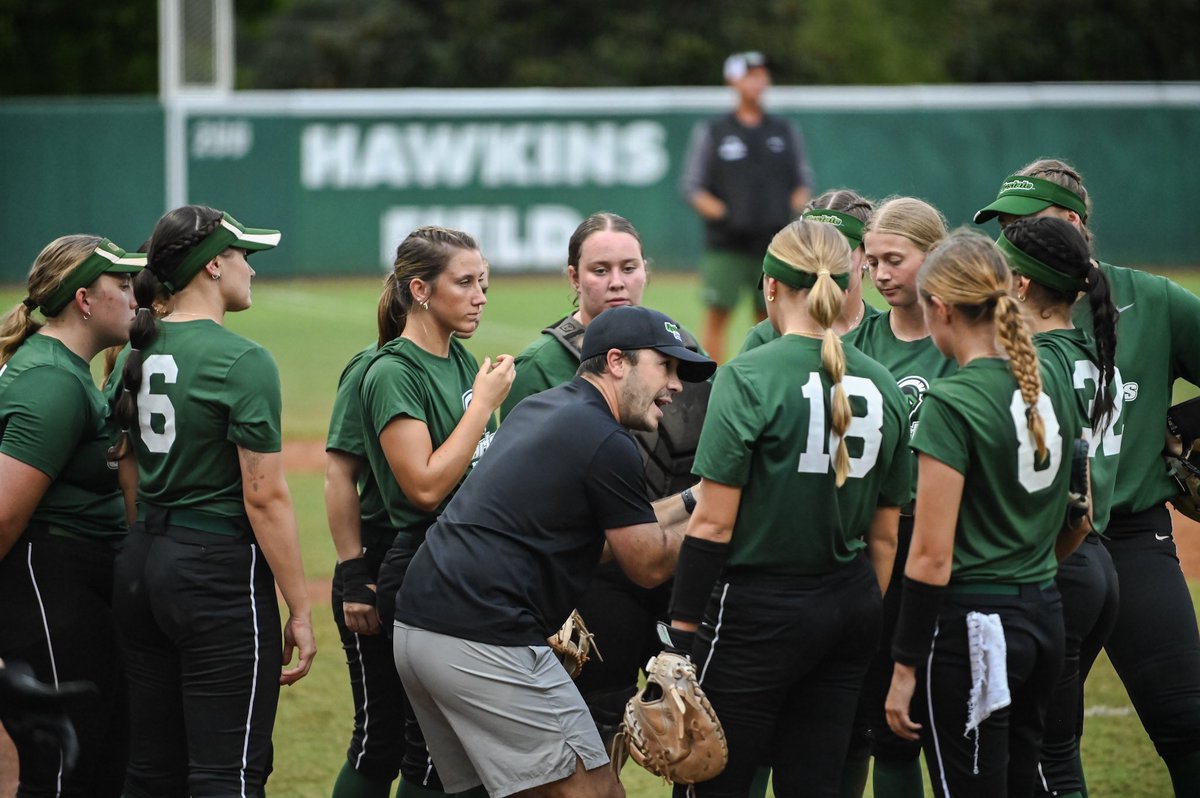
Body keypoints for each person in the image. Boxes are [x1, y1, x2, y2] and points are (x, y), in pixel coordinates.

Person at [393, 305, 715, 798]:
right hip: (484, 634)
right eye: (665, 367)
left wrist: (698, 498)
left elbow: (614, 538)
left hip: (420, 630)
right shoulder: (607, 440)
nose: (675, 385)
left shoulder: (544, 409)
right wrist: (722, 511)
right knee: (597, 791)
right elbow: (646, 564)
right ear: (616, 362)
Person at [975, 157, 1200, 795]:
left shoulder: (1150, 300)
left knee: (1185, 721)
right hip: (1042, 548)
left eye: (1021, 223)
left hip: (1131, 538)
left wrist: (1174, 420)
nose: (1005, 239)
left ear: (1071, 223)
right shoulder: (996, 314)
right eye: (1001, 226)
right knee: (1045, 740)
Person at [662, 218, 910, 798]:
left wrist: (679, 632)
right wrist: (851, 610)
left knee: (711, 779)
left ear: (769, 287)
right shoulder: (884, 383)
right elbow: (884, 538)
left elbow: (714, 521)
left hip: (759, 610)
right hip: (851, 606)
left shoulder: (749, 376)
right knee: (817, 783)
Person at [109, 206, 315, 797]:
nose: (250, 268)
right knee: (229, 775)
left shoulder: (134, 352)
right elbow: (266, 497)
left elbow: (127, 468)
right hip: (214, 574)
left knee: (151, 771)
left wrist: (151, 544)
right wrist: (299, 610)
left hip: (142, 561)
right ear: (214, 265)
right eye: (243, 256)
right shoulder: (242, 360)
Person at [499, 212, 710, 766]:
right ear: (573, 277)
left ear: (647, 272)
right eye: (600, 269)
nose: (617, 281)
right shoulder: (542, 365)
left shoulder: (679, 350)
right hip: (586, 584)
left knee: (691, 734)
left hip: (671, 574)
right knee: (590, 735)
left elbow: (700, 459)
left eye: (629, 267)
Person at [885, 229, 1084, 797]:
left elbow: (929, 555)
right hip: (1044, 615)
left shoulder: (953, 402)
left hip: (973, 631)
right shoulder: (1049, 386)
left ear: (941, 309)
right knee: (1025, 781)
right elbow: (1081, 513)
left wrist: (902, 668)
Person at [359, 226, 513, 798]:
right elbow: (423, 487)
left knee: (465, 762)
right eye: (466, 282)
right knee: (427, 759)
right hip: (425, 565)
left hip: (467, 564)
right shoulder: (394, 371)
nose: (480, 295)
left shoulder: (462, 360)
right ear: (420, 289)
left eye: (484, 283)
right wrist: (487, 405)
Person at [0, 236, 141, 797]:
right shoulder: (54, 383)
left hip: (69, 585)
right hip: (47, 585)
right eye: (122, 285)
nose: (136, 296)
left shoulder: (66, 368)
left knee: (99, 759)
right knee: (62, 769)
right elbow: (4, 516)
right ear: (84, 299)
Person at [996, 215, 1121, 798]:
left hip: (1054, 564)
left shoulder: (1035, 365)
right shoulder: (1092, 349)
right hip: (1091, 559)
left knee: (1037, 758)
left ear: (1020, 287)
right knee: (1056, 752)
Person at [842, 196, 956, 798]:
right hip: (879, 542)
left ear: (934, 256)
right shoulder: (857, 341)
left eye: (896, 259)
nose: (881, 274)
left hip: (952, 545)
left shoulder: (962, 337)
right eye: (872, 260)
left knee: (954, 724)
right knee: (891, 725)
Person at [681, 50, 813, 363]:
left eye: (762, 75)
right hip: (726, 244)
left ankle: (766, 379)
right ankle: (712, 383)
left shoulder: (783, 130)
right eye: (749, 75)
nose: (758, 82)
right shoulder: (714, 131)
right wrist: (725, 215)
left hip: (774, 245)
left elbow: (803, 182)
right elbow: (693, 186)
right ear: (733, 81)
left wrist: (787, 213)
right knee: (717, 315)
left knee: (771, 318)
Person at [739, 189, 880, 354]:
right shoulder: (765, 337)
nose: (822, 262)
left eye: (839, 252)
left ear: (867, 255)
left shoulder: (890, 333)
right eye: (809, 251)